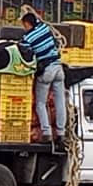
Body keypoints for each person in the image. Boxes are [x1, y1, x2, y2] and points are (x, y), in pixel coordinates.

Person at [21, 12, 66, 145]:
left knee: (40, 103)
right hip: (58, 68)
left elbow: (26, 54)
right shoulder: (45, 28)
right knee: (60, 101)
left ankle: (46, 133)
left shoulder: (27, 38)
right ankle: (61, 133)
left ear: (27, 24)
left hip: (46, 70)